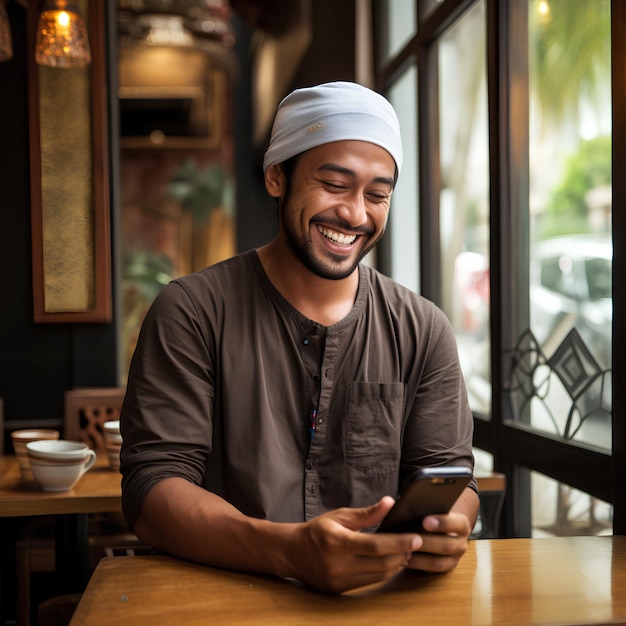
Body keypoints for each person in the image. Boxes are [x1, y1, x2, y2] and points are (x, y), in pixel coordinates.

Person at [120, 81, 479, 594]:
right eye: (334, 184)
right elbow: (152, 491)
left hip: (378, 603)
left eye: (377, 194)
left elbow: (452, 479)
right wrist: (288, 550)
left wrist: (454, 524)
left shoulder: (423, 328)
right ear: (276, 177)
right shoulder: (192, 312)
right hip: (223, 600)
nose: (356, 214)